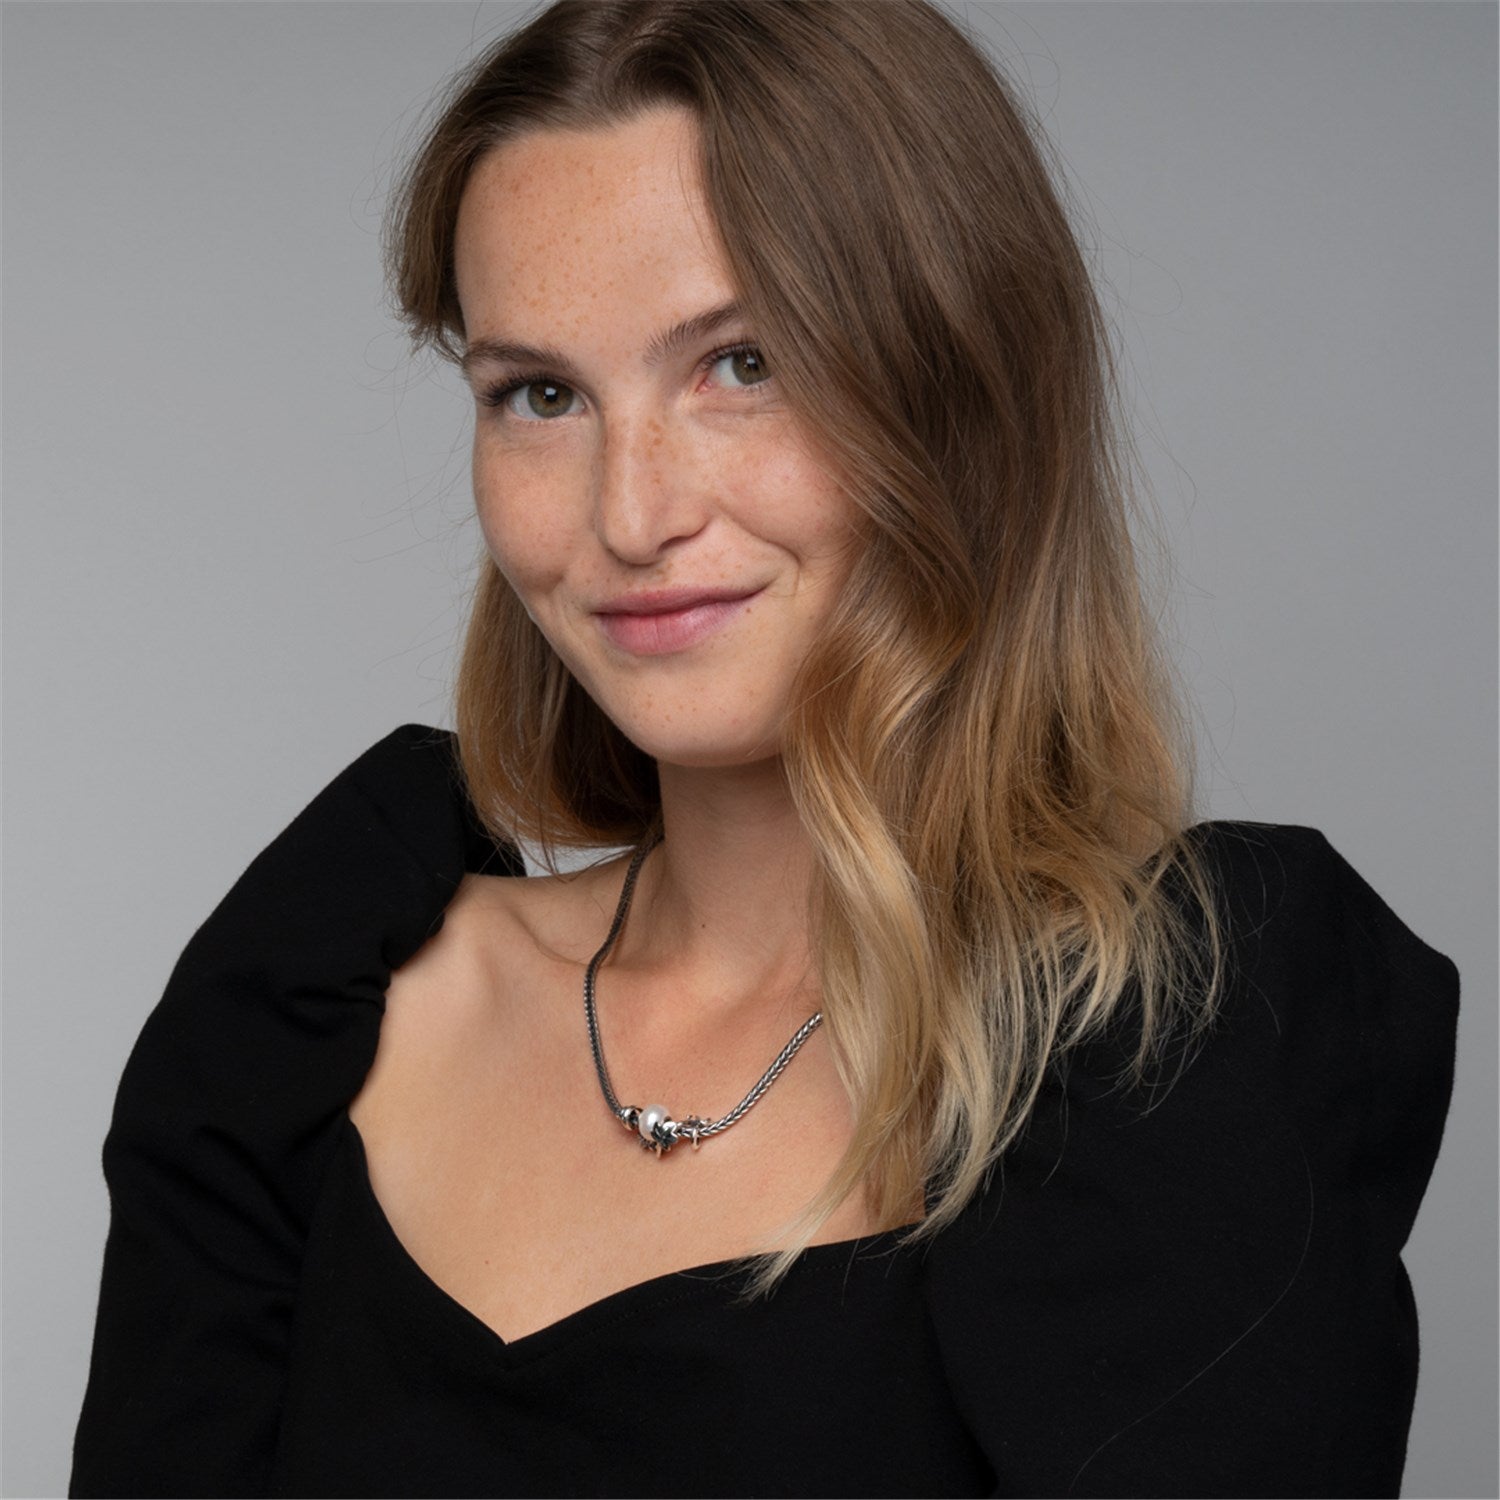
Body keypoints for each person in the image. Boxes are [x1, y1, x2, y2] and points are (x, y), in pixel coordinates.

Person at [70, 2, 1459, 1496]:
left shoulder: (1174, 1048)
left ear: (964, 394)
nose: (630, 515)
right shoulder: (315, 1017)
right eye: (541, 394)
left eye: (741, 364)